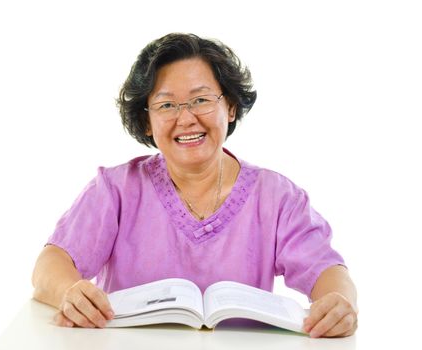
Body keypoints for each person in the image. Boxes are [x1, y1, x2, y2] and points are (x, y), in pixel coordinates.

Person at [31, 33, 358, 338]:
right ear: (147, 120)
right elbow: (51, 264)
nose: (185, 119)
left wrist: (339, 302)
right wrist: (69, 293)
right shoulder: (114, 189)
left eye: (201, 100)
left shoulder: (277, 197)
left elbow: (327, 271)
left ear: (229, 107)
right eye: (166, 105)